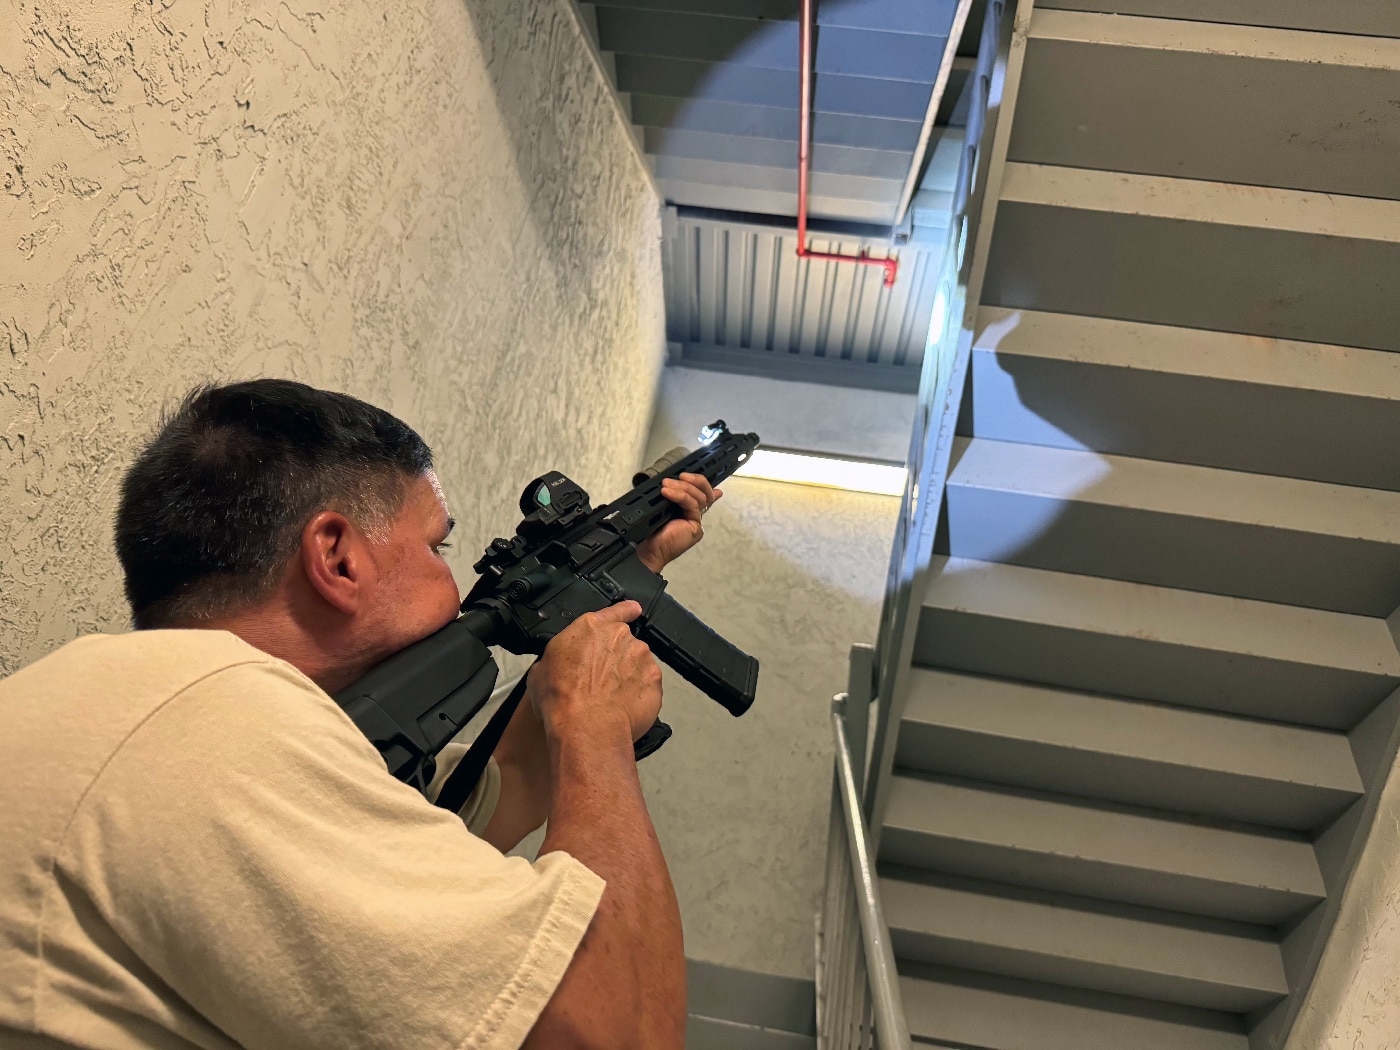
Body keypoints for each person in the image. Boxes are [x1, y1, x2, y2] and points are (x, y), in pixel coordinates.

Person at [0, 379, 723, 1050]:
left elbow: (475, 806)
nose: (455, 581)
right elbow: (617, 1030)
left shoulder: (153, 704)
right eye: (439, 547)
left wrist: (623, 585)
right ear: (338, 558)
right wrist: (596, 730)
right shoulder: (223, 732)